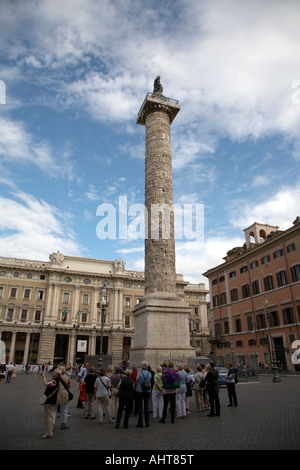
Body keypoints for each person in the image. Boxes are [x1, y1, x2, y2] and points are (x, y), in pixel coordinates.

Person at [40, 368, 61, 438]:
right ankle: (50, 431)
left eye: (54, 372)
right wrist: (44, 375)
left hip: (49, 400)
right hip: (52, 400)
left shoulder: (55, 381)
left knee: (48, 417)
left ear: (57, 374)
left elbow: (45, 383)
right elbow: (48, 381)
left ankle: (48, 433)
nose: (52, 372)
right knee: (50, 416)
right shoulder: (54, 380)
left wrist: (43, 377)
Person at [53, 365, 71, 430]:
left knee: (54, 410)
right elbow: (69, 386)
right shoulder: (66, 378)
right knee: (64, 410)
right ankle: (63, 424)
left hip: (56, 394)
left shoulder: (55, 378)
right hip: (64, 395)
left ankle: (52, 424)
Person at [136, 360, 152, 428]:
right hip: (148, 390)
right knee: (147, 407)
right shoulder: (149, 373)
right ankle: (147, 422)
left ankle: (140, 423)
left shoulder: (139, 373)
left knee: (140, 407)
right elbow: (150, 380)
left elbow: (137, 380)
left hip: (140, 390)